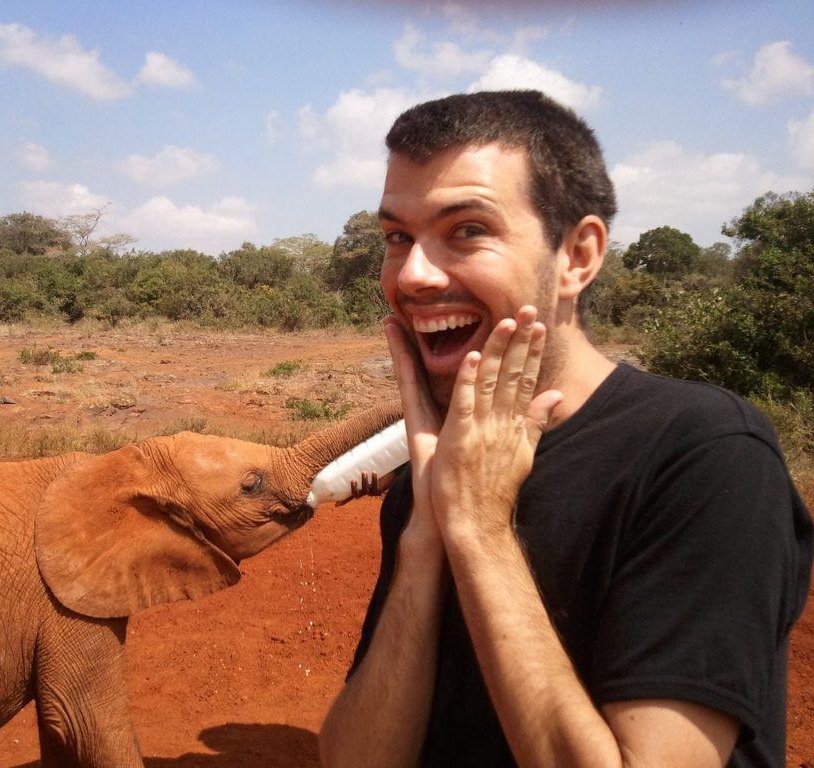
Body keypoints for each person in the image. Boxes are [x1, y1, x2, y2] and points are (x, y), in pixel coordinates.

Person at [318, 90, 813, 768]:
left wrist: (481, 530)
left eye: (467, 230)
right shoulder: (435, 471)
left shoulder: (705, 456)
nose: (413, 275)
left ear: (577, 256)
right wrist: (430, 530)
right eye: (398, 237)